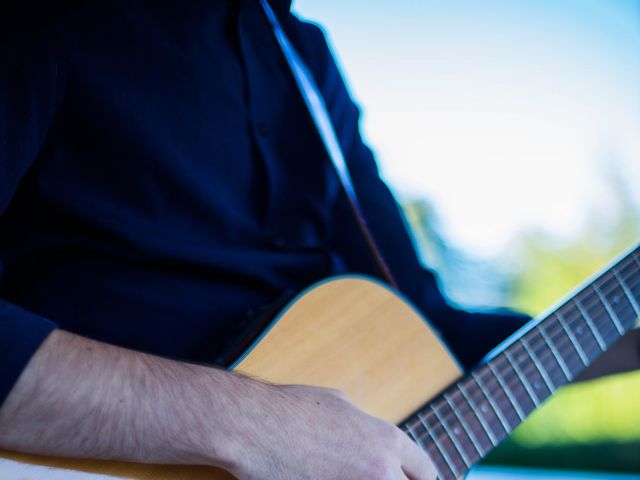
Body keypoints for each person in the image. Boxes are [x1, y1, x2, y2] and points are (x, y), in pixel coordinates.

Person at [0, 1, 637, 479]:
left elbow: (428, 333)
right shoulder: (52, 15)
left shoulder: (301, 54)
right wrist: (256, 426)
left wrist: (624, 329)